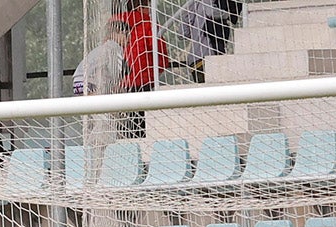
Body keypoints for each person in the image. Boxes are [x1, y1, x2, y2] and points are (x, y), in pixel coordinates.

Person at [115, 0, 170, 138]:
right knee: (140, 126)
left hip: (116, 83)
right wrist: (156, 71)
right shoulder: (148, 25)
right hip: (141, 81)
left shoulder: (113, 26)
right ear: (142, 7)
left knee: (122, 125)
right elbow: (161, 55)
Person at [169, 0, 231, 83]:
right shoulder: (207, 2)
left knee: (205, 93)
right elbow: (211, 12)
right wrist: (228, 14)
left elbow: (183, 33)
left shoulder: (193, 4)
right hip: (209, 56)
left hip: (194, 58)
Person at [72, 19, 128, 97]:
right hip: (89, 83)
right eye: (125, 34)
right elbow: (114, 73)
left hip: (77, 83)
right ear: (115, 33)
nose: (128, 38)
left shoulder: (102, 48)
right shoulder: (114, 48)